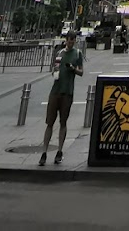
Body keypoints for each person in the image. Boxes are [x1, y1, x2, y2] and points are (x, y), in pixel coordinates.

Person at [39, 30, 83, 166]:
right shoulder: (60, 53)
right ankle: (44, 152)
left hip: (67, 92)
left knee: (63, 122)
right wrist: (55, 70)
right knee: (49, 123)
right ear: (66, 40)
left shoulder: (77, 54)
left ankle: (59, 151)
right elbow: (55, 69)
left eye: (73, 40)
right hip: (55, 91)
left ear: (75, 40)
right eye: (69, 40)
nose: (70, 42)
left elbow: (81, 72)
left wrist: (73, 69)